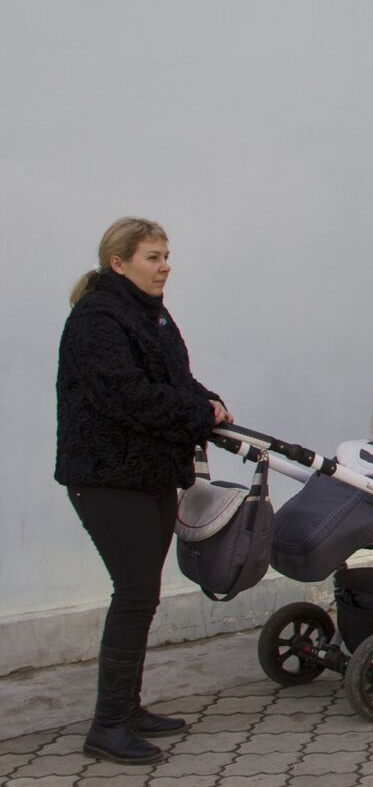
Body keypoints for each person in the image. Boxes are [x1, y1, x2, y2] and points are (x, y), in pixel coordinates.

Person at [57, 218, 231, 764]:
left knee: (143, 593)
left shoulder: (149, 312)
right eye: (153, 257)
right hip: (106, 476)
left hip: (149, 472)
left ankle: (127, 709)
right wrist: (196, 413)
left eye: (166, 256)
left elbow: (175, 380)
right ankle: (107, 727)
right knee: (133, 592)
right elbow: (126, 396)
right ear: (119, 262)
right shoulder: (97, 319)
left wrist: (210, 401)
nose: (165, 267)